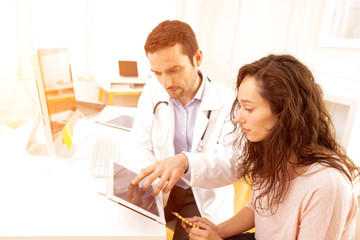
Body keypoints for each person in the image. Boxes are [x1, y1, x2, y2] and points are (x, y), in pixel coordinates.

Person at [180, 54, 360, 239]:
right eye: (240, 107)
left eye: (248, 108)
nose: (238, 117)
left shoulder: (326, 186)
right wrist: (219, 231)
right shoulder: (272, 152)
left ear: (285, 113)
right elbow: (257, 207)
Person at [125, 20, 236, 239]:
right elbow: (140, 142)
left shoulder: (228, 102)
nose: (166, 82)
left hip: (201, 194)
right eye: (157, 72)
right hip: (163, 188)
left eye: (174, 70)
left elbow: (234, 163)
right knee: (126, 227)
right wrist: (148, 181)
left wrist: (187, 162)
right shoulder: (152, 92)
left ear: (198, 58)